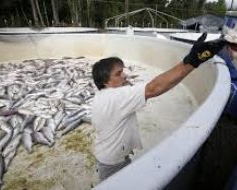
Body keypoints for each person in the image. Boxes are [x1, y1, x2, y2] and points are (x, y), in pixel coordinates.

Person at [91, 33, 226, 181]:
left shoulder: (103, 97)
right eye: (118, 74)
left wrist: (191, 64)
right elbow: (154, 88)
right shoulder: (117, 98)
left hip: (107, 156)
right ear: (106, 81)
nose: (125, 75)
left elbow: (162, 87)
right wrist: (193, 60)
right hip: (112, 163)